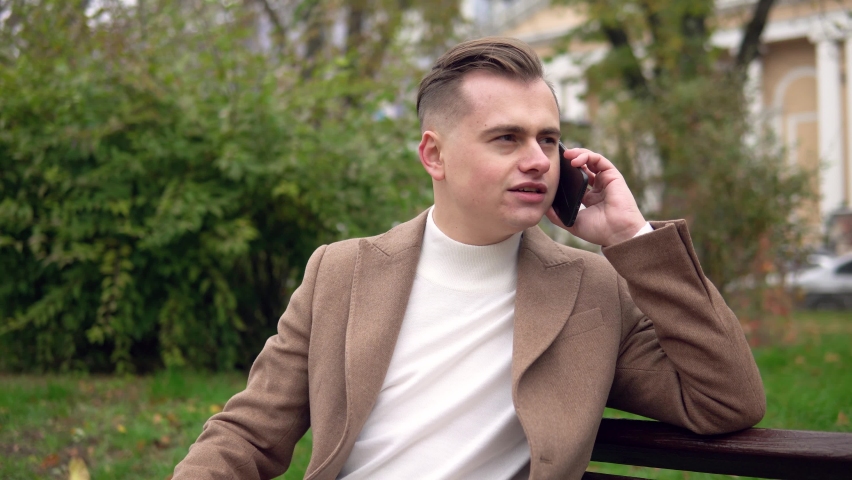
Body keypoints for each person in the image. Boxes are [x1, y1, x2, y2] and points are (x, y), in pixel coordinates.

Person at [173, 37, 765, 480]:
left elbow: (726, 401)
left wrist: (631, 237)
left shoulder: (593, 290)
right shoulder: (342, 272)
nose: (538, 159)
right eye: (507, 138)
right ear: (434, 154)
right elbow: (249, 435)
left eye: (549, 139)